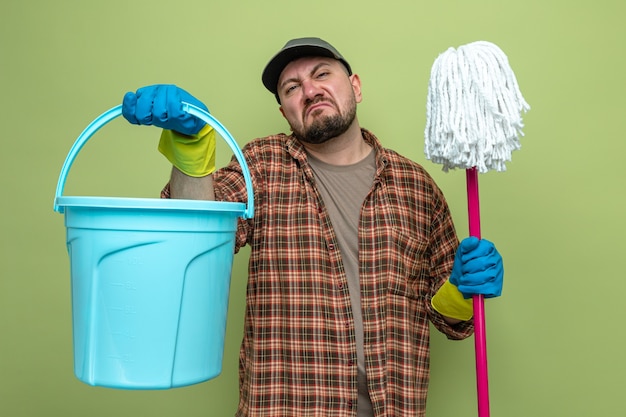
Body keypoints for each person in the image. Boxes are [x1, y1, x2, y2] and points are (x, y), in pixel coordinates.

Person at [122, 37, 504, 417]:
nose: (309, 90)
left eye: (322, 74)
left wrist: (460, 292)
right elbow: (196, 234)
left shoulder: (416, 186)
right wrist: (192, 147)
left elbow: (450, 319)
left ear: (355, 86)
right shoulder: (261, 165)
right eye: (292, 88)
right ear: (284, 110)